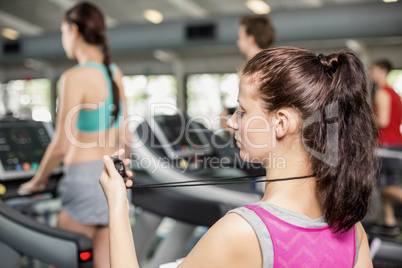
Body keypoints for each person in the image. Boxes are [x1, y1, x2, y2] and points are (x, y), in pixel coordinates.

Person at [100, 46, 376, 267]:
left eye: (242, 111)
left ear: (280, 123)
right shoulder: (353, 230)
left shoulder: (243, 231)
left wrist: (117, 205)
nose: (231, 122)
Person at [19, 2, 131, 267]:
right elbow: (126, 136)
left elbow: (60, 145)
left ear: (73, 30)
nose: (63, 39)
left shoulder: (74, 76)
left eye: (62, 32)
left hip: (83, 182)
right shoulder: (114, 72)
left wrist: (36, 181)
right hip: (113, 178)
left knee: (63, 260)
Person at [220, 15, 276, 137]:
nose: (238, 42)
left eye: (240, 38)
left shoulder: (252, 73)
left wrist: (224, 122)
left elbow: (250, 123)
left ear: (250, 39)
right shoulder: (274, 66)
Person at [370, 59, 402, 236]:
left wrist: (365, 119)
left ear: (382, 71)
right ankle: (390, 223)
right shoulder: (394, 94)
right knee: (384, 183)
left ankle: (391, 222)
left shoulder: (382, 92)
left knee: (385, 187)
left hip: (386, 145)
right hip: (394, 144)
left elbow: (383, 121)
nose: (371, 74)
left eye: (373, 70)